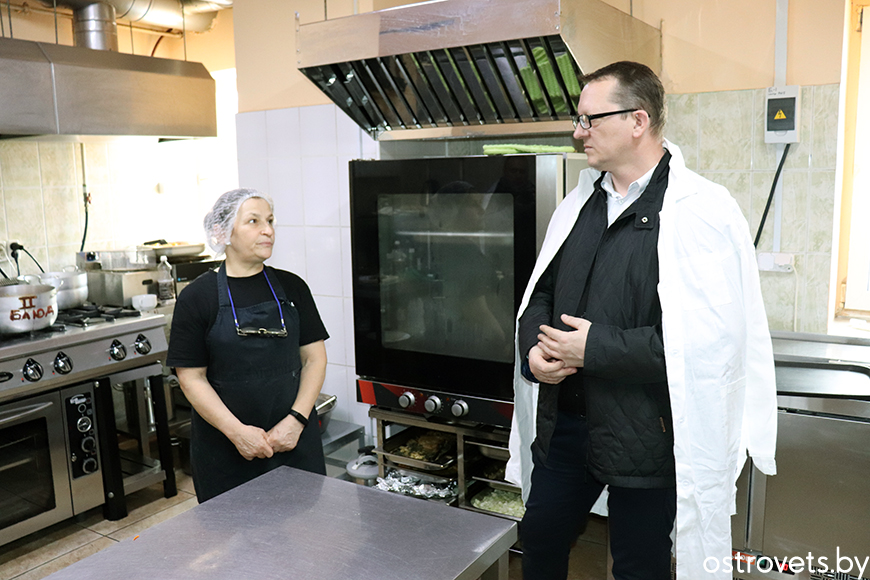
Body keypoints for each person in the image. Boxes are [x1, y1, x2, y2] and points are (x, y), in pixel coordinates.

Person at [505, 62, 778, 580]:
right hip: (568, 423)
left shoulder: (701, 211)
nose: (578, 132)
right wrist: (534, 352)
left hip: (649, 434)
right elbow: (539, 295)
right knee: (539, 541)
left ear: (638, 120)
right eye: (579, 119)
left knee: (638, 564)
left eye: (590, 119)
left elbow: (706, 345)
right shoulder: (579, 204)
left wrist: (594, 349)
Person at [167, 188, 329, 503]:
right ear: (222, 232)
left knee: (304, 525)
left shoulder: (293, 287)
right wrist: (237, 433)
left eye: (270, 220)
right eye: (254, 221)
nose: (268, 230)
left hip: (294, 441)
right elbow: (191, 377)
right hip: (226, 449)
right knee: (235, 530)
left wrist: (296, 421)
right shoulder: (197, 298)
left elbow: (315, 360)